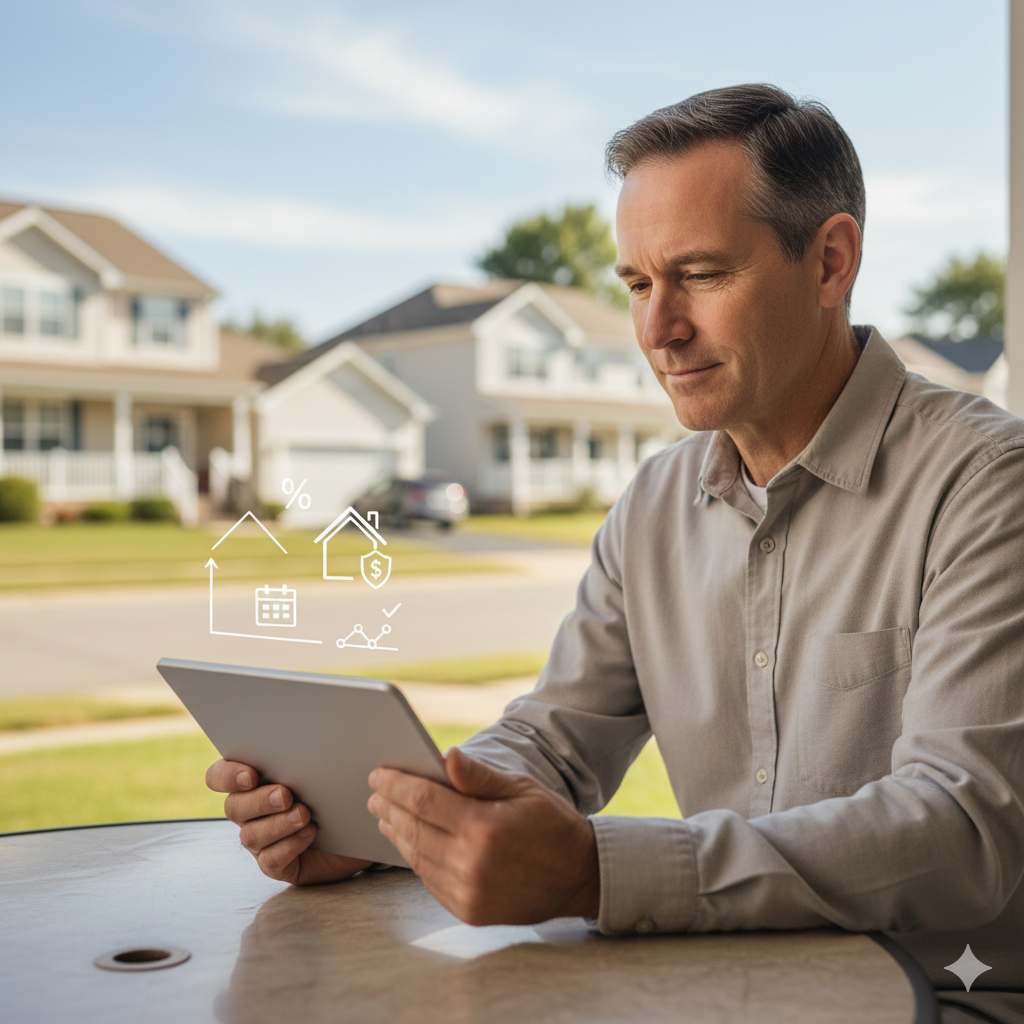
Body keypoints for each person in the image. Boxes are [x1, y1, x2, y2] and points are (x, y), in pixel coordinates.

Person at [206, 85, 1024, 1023]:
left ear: (830, 260)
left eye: (702, 275)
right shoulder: (654, 504)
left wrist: (598, 872)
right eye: (638, 284)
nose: (655, 330)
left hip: (951, 1001)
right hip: (731, 991)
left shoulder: (990, 483)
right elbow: (554, 738)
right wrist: (389, 825)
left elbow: (961, 830)